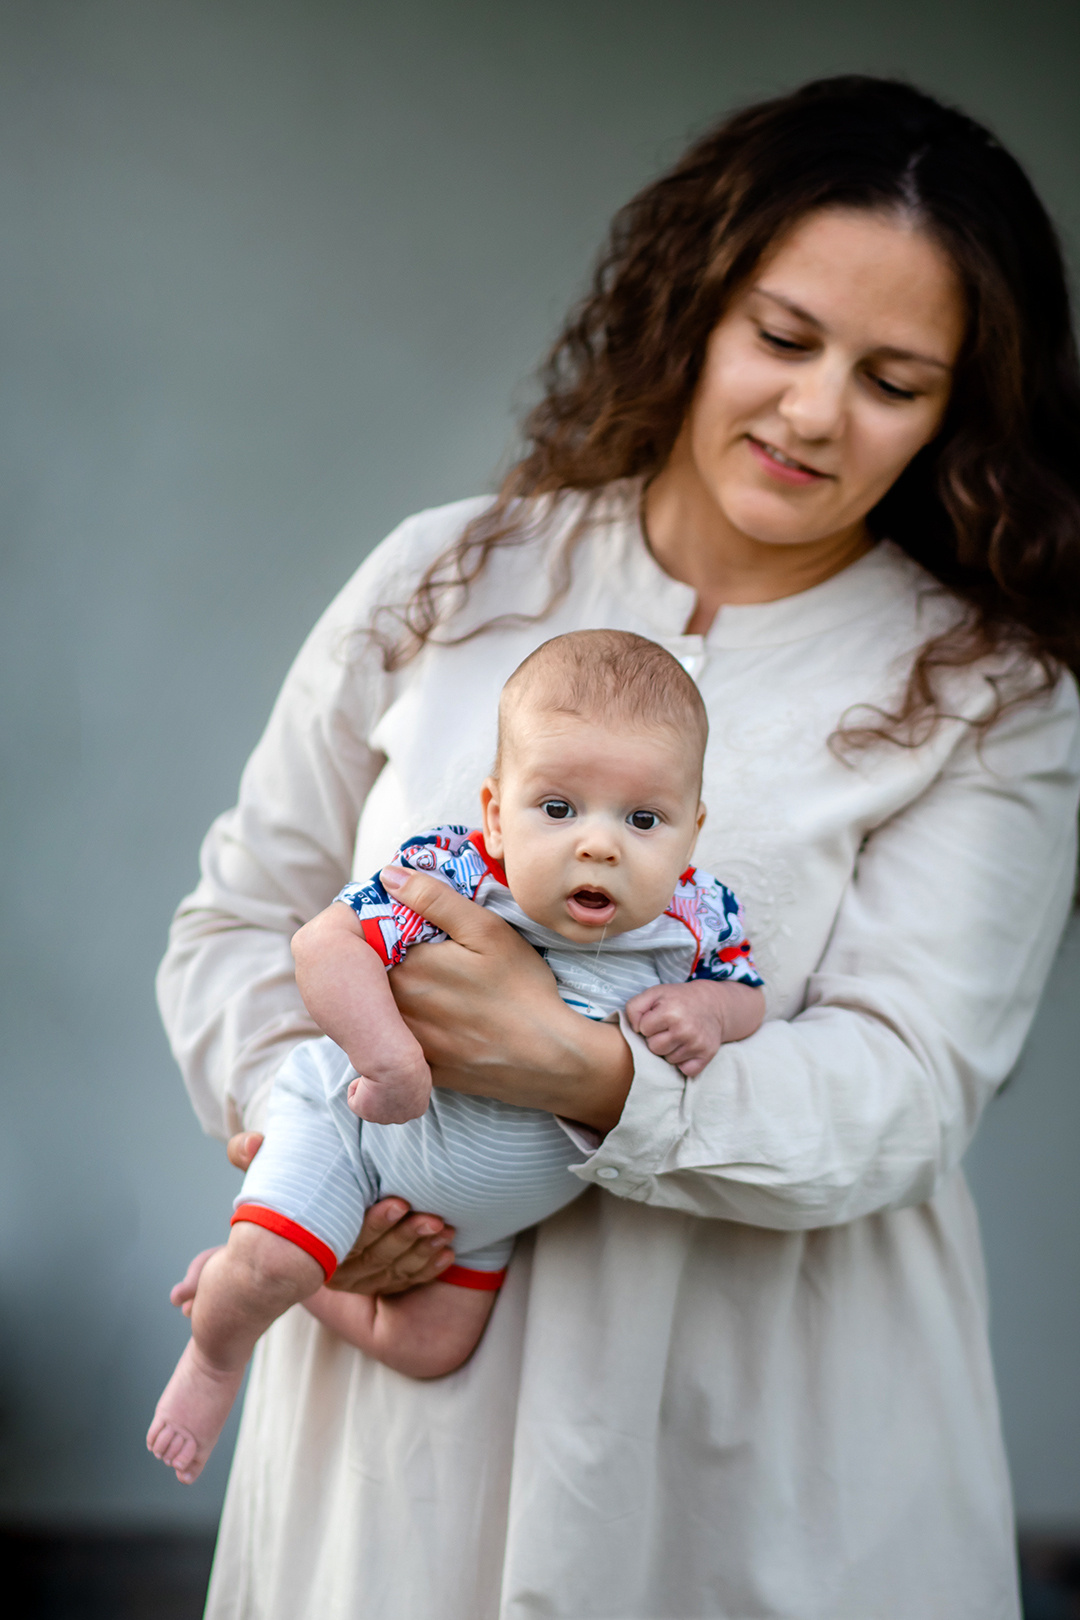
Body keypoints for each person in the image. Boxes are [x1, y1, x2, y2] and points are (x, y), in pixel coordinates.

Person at [157, 76, 1080, 1620]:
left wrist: (585, 1072)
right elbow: (244, 918)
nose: (810, 413)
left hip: (763, 1444)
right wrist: (321, 1171)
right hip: (395, 1449)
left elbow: (908, 1088)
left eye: (893, 380)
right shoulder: (451, 578)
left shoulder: (987, 696)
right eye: (783, 339)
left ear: (957, 415)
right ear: (695, 303)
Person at [147, 631, 764, 1480]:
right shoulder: (457, 874)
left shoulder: (700, 915)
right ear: (495, 813)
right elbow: (325, 946)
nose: (599, 844)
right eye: (557, 808)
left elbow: (748, 993)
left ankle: (270, 1272)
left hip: (480, 1224)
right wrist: (389, 1058)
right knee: (274, 1261)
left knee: (429, 1345)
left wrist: (709, 1010)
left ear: (692, 833)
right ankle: (219, 1354)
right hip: (359, 1134)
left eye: (644, 819)